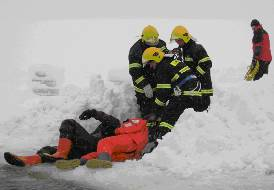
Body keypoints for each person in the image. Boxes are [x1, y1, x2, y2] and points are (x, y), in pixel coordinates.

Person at [4, 109, 156, 169]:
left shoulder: (115, 126)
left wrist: (94, 112)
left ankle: (60, 155)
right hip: (84, 150)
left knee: (68, 123)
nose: (126, 122)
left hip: (94, 146)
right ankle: (27, 160)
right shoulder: (108, 128)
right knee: (49, 149)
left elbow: (108, 119)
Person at [141, 47, 202, 140]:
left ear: (155, 59)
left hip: (186, 94)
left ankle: (163, 140)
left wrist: (154, 111)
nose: (150, 66)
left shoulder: (161, 68)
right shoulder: (171, 61)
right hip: (195, 92)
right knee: (177, 115)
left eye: (150, 63)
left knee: (168, 117)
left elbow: (163, 94)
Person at [128, 25, 169, 117]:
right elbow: (135, 72)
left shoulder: (160, 43)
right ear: (144, 39)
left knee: (160, 107)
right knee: (147, 112)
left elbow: (165, 54)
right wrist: (145, 86)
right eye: (150, 40)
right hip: (143, 88)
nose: (154, 42)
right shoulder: (135, 51)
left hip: (158, 82)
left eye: (155, 38)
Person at [170, 25, 213, 112]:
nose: (177, 42)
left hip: (202, 89)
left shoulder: (197, 48)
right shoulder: (181, 50)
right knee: (188, 115)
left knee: (200, 115)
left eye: (179, 40)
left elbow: (207, 63)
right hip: (190, 89)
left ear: (185, 38)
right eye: (176, 40)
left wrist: (194, 76)